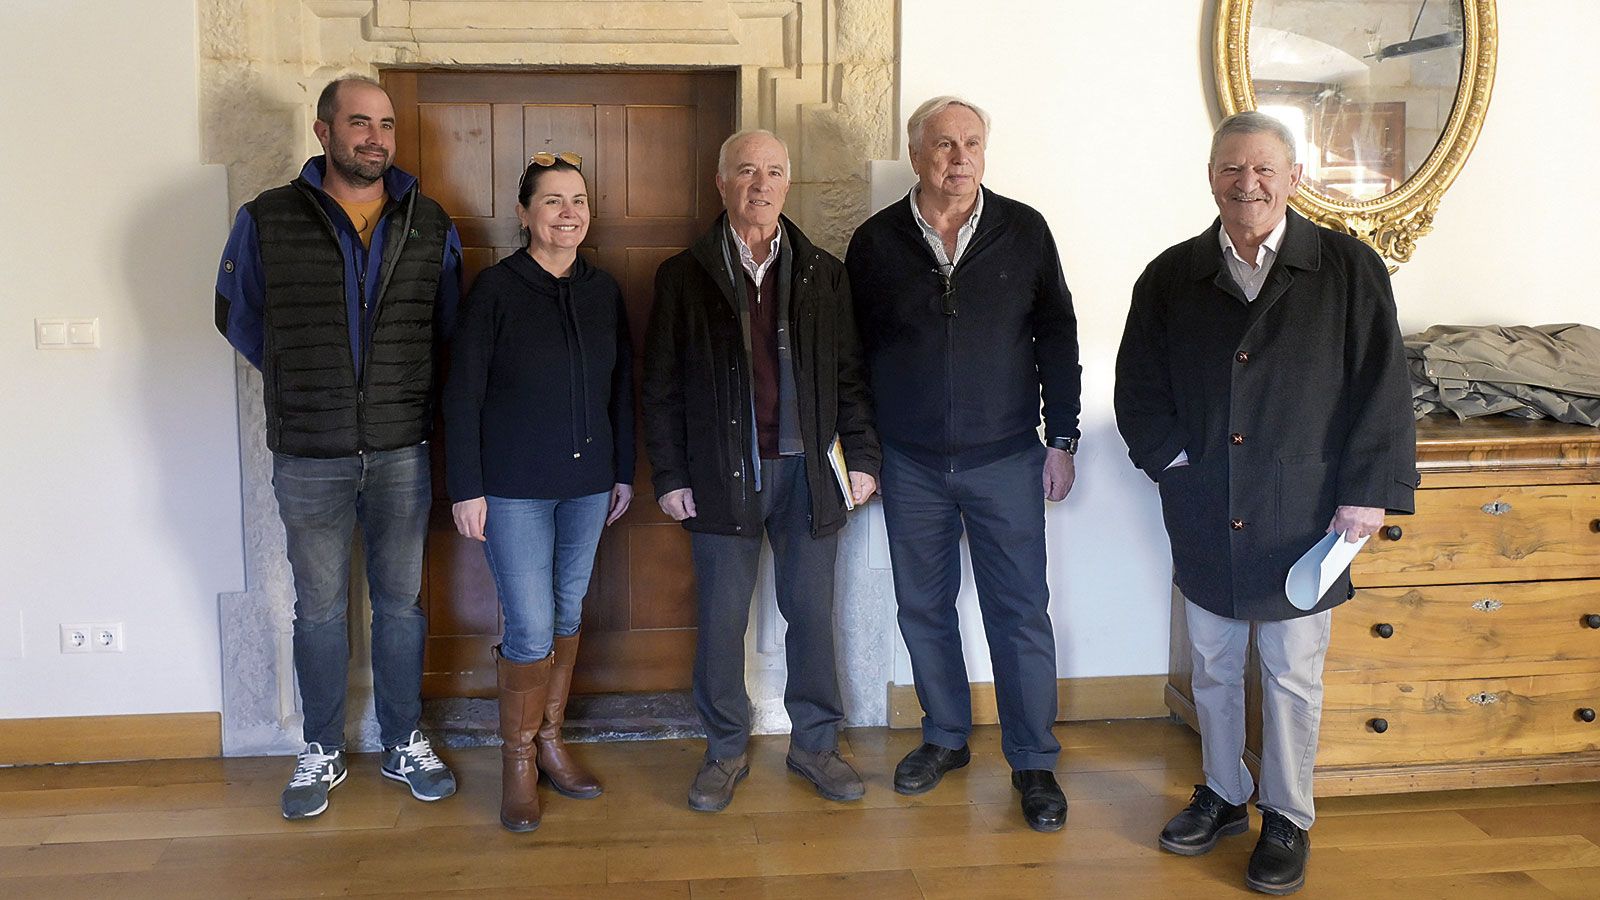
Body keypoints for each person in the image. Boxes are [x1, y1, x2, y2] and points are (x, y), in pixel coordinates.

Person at [1113, 110, 1416, 895]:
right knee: (1212, 663)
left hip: (1306, 512)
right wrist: (1176, 464)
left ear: (1293, 178)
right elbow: (1138, 388)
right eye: (1230, 169)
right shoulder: (1170, 275)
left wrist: (1366, 495)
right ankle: (1220, 791)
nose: (1246, 184)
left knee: (1289, 671)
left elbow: (1383, 389)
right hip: (1206, 502)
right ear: (1210, 175)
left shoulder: (1349, 269)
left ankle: (1286, 815)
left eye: (1263, 170)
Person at [214, 74, 461, 819]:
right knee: (318, 610)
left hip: (399, 451)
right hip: (309, 454)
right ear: (324, 132)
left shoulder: (429, 220)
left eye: (385, 124)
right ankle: (319, 747)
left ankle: (402, 738)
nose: (375, 137)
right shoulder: (266, 220)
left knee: (402, 605)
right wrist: (308, 382)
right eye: (359, 122)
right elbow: (238, 316)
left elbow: (445, 326)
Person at [845, 95, 1081, 833]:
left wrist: (1063, 438)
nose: (959, 158)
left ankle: (1034, 761)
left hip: (1007, 456)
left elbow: (1058, 336)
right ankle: (945, 736)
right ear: (917, 155)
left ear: (986, 151)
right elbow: (849, 358)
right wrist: (863, 452)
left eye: (971, 143)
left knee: (1020, 613)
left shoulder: (1025, 230)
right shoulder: (875, 242)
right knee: (923, 608)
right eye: (943, 145)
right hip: (909, 461)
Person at [642, 129, 880, 813]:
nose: (761, 184)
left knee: (812, 615)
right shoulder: (683, 276)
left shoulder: (823, 273)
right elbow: (661, 387)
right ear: (722, 183)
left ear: (787, 184)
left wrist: (861, 460)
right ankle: (722, 749)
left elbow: (850, 378)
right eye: (747, 171)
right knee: (721, 621)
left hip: (809, 476)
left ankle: (816, 745)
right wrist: (672, 475)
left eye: (774, 171)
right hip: (721, 477)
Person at [442, 153, 634, 833]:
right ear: (524, 213)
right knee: (528, 626)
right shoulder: (495, 291)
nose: (568, 213)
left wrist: (623, 470)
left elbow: (621, 390)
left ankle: (552, 741)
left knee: (565, 613)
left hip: (587, 488)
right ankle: (518, 759)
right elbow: (461, 394)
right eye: (551, 201)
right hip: (514, 490)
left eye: (578, 200)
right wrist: (466, 487)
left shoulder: (603, 291)